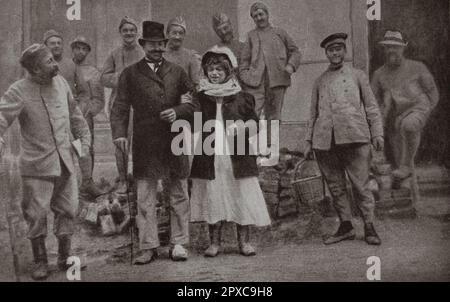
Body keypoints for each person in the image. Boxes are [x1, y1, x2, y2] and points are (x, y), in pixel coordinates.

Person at [0, 44, 91, 280]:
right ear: (35, 70)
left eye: (53, 59)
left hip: (65, 162)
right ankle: (40, 261)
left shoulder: (61, 83)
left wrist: (84, 140)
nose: (55, 64)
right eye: (49, 62)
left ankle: (64, 257)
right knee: (36, 214)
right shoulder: (18, 91)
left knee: (68, 210)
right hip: (36, 166)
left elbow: (75, 115)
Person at [111, 21, 196, 264]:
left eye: (161, 44)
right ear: (143, 45)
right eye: (152, 44)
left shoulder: (178, 72)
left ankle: (179, 243)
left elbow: (192, 103)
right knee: (145, 195)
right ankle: (148, 246)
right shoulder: (130, 74)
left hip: (174, 139)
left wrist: (178, 112)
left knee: (179, 192)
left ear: (165, 45)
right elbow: (119, 107)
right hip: (146, 141)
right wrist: (119, 133)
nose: (157, 48)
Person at [190, 46, 271, 257]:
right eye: (211, 70)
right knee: (213, 195)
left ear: (229, 72)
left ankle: (243, 242)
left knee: (240, 196)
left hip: (238, 156)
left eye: (219, 69)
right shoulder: (200, 97)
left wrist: (242, 128)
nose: (214, 73)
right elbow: (191, 121)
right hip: (210, 155)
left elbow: (255, 123)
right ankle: (214, 242)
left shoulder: (242, 97)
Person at [304, 33, 384, 246]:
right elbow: (313, 113)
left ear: (344, 51)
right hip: (325, 141)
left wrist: (377, 133)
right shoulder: (319, 81)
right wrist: (308, 142)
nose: (335, 53)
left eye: (339, 48)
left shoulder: (358, 75)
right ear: (326, 53)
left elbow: (371, 106)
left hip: (355, 137)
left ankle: (369, 226)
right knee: (336, 185)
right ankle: (346, 226)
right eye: (331, 50)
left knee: (361, 185)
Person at [371, 30, 439, 181]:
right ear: (384, 49)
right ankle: (409, 199)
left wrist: (424, 112)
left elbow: (433, 93)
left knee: (409, 125)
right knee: (397, 163)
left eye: (396, 47)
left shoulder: (418, 67)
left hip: (418, 109)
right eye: (388, 47)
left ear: (403, 48)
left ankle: (406, 167)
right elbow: (372, 103)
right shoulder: (379, 74)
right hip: (395, 119)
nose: (392, 50)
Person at [239, 2, 301, 165]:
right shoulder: (251, 36)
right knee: (253, 115)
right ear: (253, 18)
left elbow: (295, 51)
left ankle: (271, 153)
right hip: (255, 83)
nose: (259, 18)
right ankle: (253, 152)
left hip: (277, 80)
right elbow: (244, 61)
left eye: (261, 14)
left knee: (274, 117)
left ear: (267, 15)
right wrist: (246, 77)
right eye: (255, 15)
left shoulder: (280, 33)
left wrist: (290, 66)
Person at [101, 16, 145, 193]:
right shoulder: (114, 54)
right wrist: (120, 76)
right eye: (125, 30)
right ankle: (123, 179)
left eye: (132, 30)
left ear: (137, 32)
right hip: (120, 105)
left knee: (142, 142)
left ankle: (141, 178)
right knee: (121, 143)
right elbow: (103, 77)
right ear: (120, 33)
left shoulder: (143, 52)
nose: (129, 33)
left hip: (141, 105)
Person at [70, 36, 106, 197]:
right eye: (77, 48)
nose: (80, 51)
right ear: (72, 49)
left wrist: (87, 112)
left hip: (83, 118)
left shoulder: (92, 73)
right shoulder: (64, 67)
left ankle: (87, 182)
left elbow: (98, 100)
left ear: (88, 52)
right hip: (63, 115)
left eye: (84, 48)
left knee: (85, 148)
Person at [163, 16, 202, 89]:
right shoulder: (160, 55)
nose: (177, 37)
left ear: (184, 36)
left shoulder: (191, 56)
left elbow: (196, 84)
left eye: (180, 33)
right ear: (167, 34)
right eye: (174, 33)